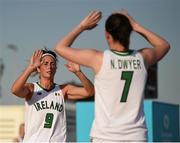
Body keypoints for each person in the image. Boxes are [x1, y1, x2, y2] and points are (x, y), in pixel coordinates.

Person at [54, 10, 170, 142]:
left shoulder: (99, 59)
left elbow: (60, 47)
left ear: (107, 35)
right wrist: (137, 26)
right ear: (129, 32)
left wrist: (82, 27)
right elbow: (164, 45)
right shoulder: (142, 58)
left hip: (105, 136)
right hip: (136, 137)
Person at [11, 49, 94, 142]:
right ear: (38, 68)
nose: (49, 67)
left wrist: (79, 72)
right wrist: (30, 68)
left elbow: (90, 92)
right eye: (45, 64)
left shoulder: (63, 90)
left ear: (55, 68)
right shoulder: (32, 88)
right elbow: (15, 90)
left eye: (52, 64)